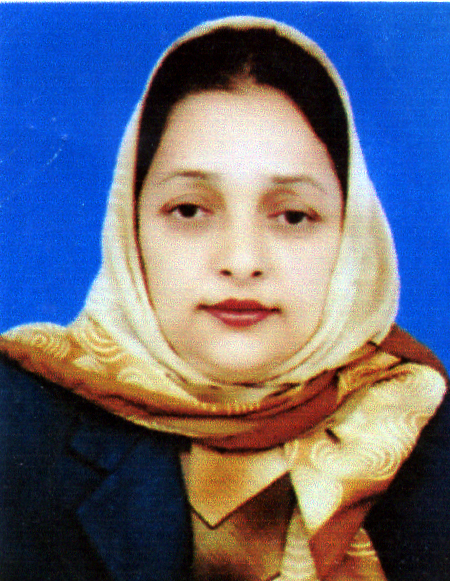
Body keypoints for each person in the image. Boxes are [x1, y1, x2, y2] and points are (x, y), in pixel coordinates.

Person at [1, 16, 449, 581]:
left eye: (293, 216)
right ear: (129, 229)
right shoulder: (15, 424)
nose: (241, 261)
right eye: (190, 210)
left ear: (353, 236)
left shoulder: (423, 429)